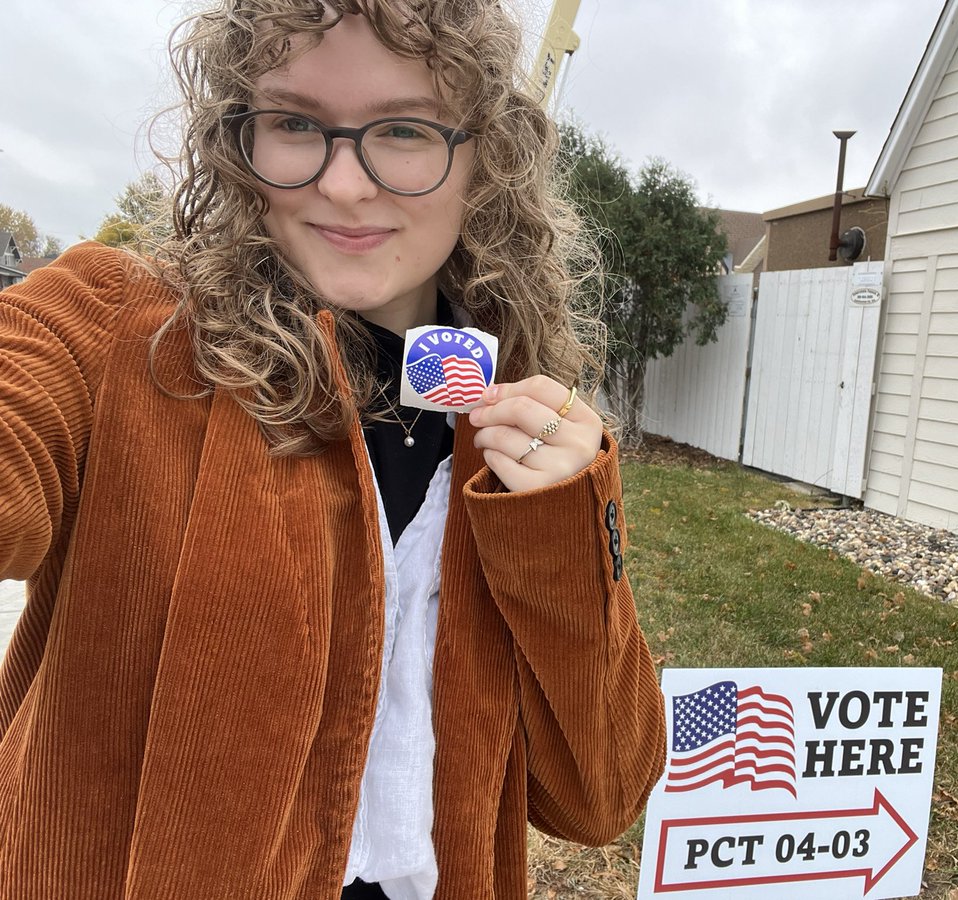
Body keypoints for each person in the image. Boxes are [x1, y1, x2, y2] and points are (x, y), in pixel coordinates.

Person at [0, 1, 666, 898]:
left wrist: (560, 534)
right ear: (238, 144)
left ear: (485, 158)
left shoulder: (517, 424)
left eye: (403, 130)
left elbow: (600, 799)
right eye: (294, 123)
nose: (345, 185)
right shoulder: (121, 330)